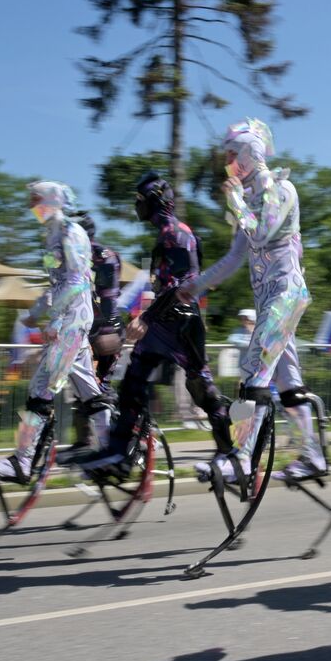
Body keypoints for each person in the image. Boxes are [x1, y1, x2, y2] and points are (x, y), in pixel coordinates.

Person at [182, 118, 322, 483]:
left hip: (285, 295)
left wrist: (235, 200)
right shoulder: (252, 199)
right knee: (288, 381)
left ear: (249, 151)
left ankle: (242, 459)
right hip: (272, 301)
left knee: (253, 371)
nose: (226, 162)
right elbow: (233, 259)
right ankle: (313, 456)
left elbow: (260, 235)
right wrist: (192, 288)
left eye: (231, 153)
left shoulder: (282, 189)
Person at [82, 174, 236, 478]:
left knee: (200, 386)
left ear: (153, 200)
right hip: (162, 323)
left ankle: (229, 450)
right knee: (133, 383)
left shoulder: (176, 235)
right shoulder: (164, 234)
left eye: (139, 200)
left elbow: (183, 286)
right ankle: (119, 454)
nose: (135, 206)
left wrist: (145, 318)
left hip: (183, 323)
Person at [0, 183, 112, 483]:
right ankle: (109, 450)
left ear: (52, 200)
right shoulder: (51, 235)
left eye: (35, 200)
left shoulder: (72, 233)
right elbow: (56, 286)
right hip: (67, 322)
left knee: (40, 388)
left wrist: (54, 321)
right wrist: (33, 315)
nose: (32, 206)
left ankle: (23, 462)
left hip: (73, 321)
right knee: (89, 392)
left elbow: (78, 281)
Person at [57, 210, 123, 462]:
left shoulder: (100, 256)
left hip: (104, 331)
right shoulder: (84, 257)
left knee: (99, 389)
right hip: (90, 329)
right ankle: (86, 441)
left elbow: (106, 298)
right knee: (84, 388)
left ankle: (133, 437)